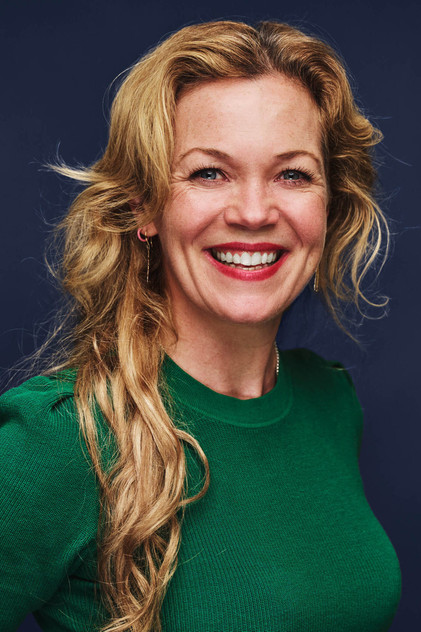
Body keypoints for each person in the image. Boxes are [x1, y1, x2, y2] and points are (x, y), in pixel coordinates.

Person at [0, 19, 401, 632]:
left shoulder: (330, 400)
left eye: (292, 174)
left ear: (329, 204)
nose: (254, 212)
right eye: (210, 172)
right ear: (143, 205)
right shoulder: (58, 439)